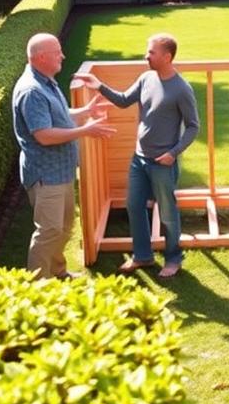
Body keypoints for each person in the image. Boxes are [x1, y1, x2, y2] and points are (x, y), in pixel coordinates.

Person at [74, 33, 199, 278]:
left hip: (163, 163)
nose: (146, 56)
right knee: (134, 205)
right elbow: (122, 101)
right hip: (139, 159)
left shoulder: (181, 89)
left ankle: (174, 259)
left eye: (151, 52)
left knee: (167, 213)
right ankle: (143, 256)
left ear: (167, 56)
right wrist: (97, 85)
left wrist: (173, 154)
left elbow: (194, 126)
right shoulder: (146, 78)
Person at [12, 32, 115, 279]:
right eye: (58, 52)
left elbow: (58, 114)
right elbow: (44, 134)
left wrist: (84, 111)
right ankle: (38, 286)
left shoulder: (46, 81)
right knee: (49, 231)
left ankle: (58, 272)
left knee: (64, 228)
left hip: (61, 172)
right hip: (46, 175)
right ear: (41, 57)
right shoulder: (32, 90)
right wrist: (86, 129)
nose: (63, 55)